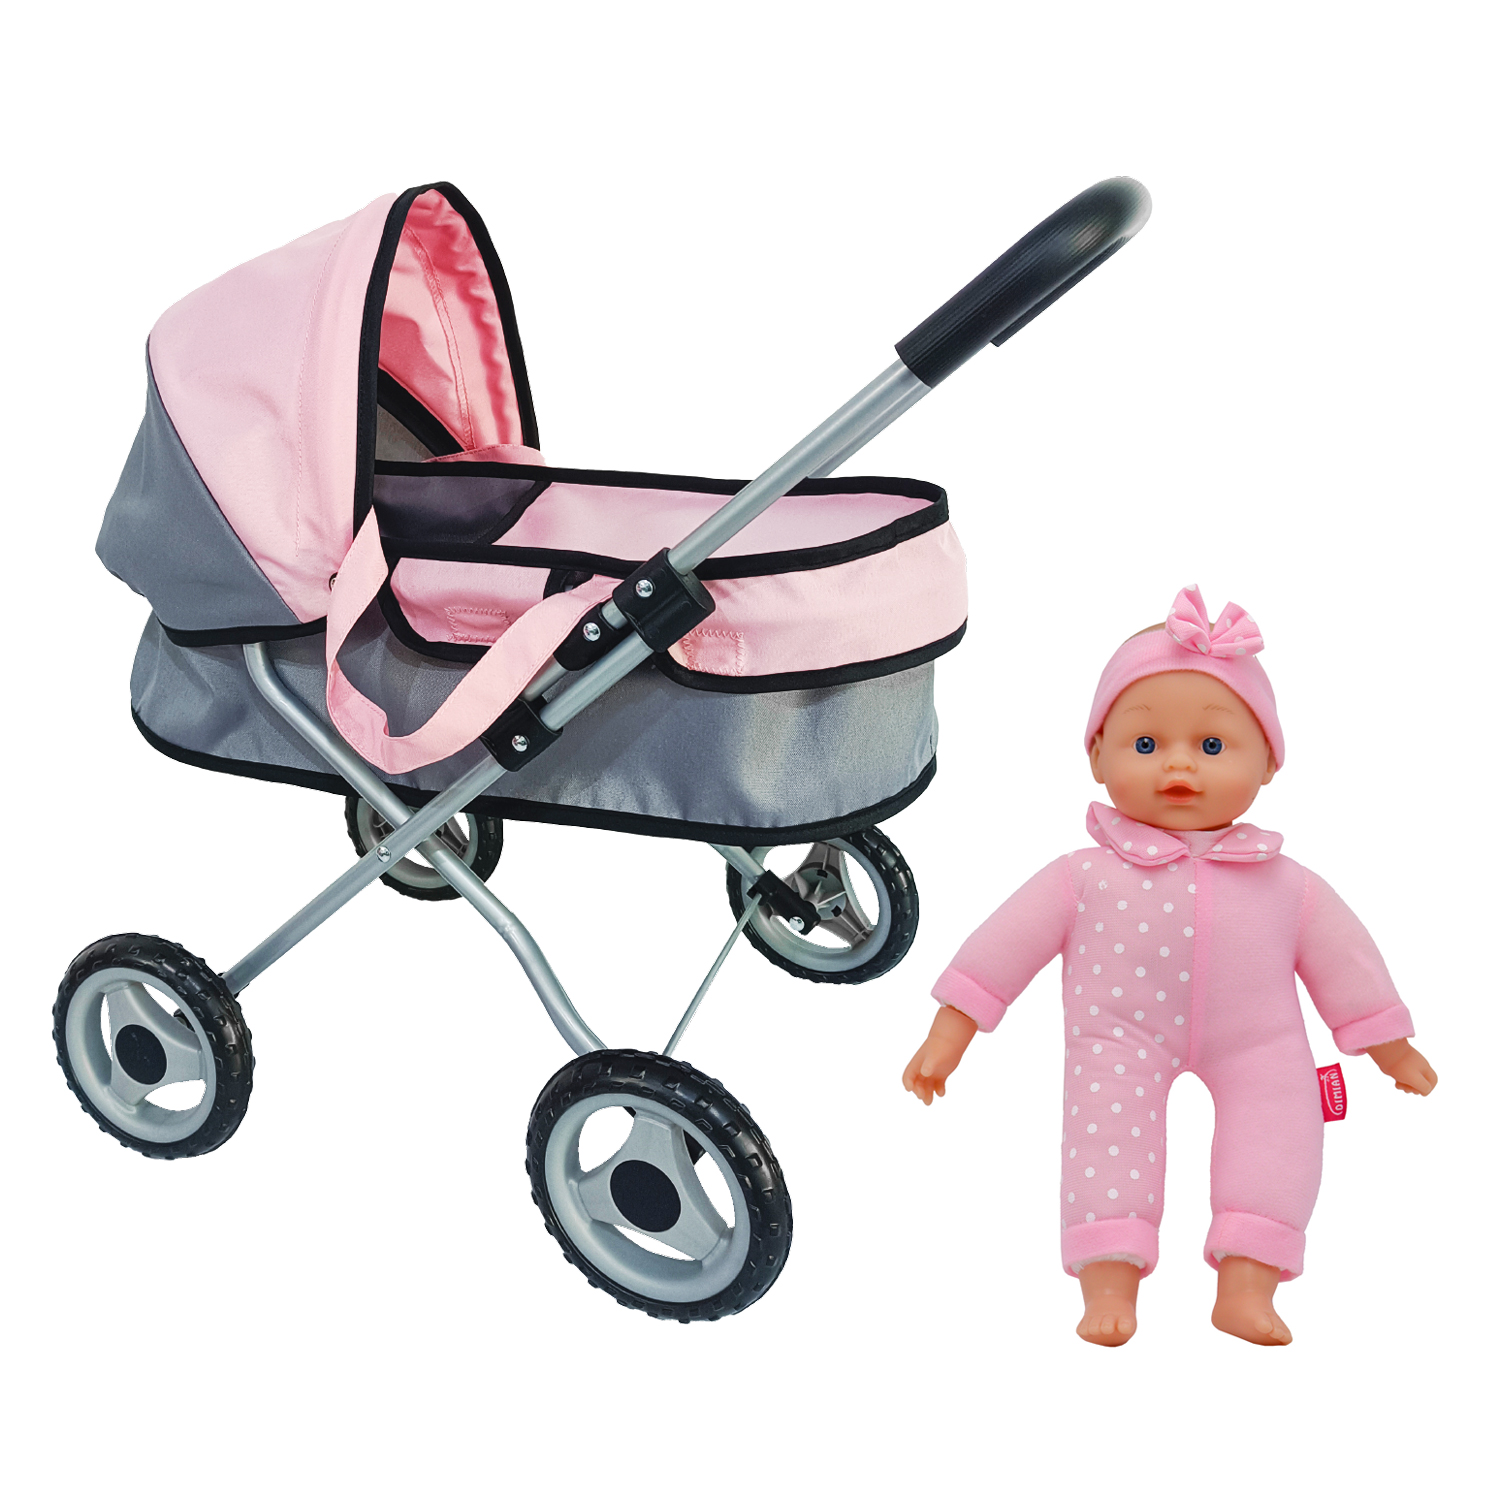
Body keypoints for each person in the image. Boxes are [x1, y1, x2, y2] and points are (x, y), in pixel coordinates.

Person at [902, 586, 1437, 1346]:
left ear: (1269, 763)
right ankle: (1107, 1284)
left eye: (1213, 747)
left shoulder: (1288, 886)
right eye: (1146, 745)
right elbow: (1003, 946)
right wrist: (950, 1030)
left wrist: (1388, 1044)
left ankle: (1247, 1287)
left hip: (1259, 1039)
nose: (1179, 764)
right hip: (1119, 1036)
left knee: (1280, 1137)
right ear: (1097, 756)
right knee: (1104, 1143)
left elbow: (1346, 961)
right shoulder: (1082, 877)